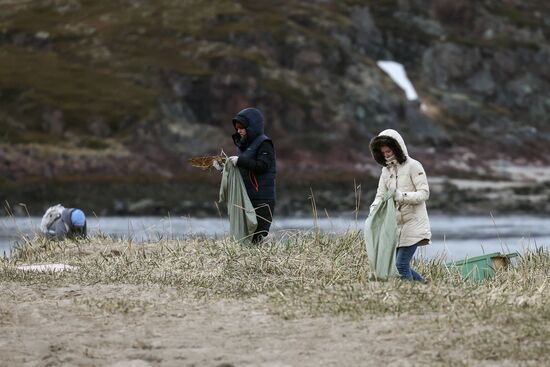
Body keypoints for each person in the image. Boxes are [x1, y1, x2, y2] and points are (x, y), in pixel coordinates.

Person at [369, 129, 431, 282]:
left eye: (388, 151)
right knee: (398, 266)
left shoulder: (414, 166)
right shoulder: (385, 171)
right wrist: (373, 208)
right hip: (395, 227)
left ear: (397, 147)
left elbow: (424, 193)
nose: (386, 155)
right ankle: (425, 287)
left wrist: (401, 196)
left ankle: (411, 297)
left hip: (414, 223)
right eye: (383, 152)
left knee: (400, 265)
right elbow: (380, 196)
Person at [215, 107, 276, 243]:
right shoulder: (242, 146)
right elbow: (241, 170)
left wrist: (240, 161)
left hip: (262, 199)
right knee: (245, 238)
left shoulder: (264, 143)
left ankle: (264, 259)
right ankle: (247, 262)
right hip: (245, 198)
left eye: (242, 127)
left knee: (258, 236)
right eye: (237, 128)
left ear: (252, 127)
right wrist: (224, 169)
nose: (239, 131)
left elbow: (263, 166)